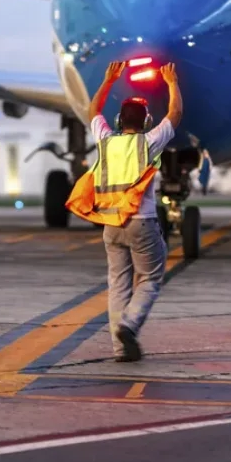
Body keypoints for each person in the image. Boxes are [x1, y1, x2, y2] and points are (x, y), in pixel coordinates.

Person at [85, 61, 182, 362]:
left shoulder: (105, 141)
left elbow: (92, 112)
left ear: (118, 121)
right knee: (151, 278)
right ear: (146, 122)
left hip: (111, 224)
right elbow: (175, 114)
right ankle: (129, 324)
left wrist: (108, 80)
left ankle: (120, 348)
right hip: (142, 223)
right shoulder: (148, 143)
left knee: (118, 284)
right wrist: (171, 82)